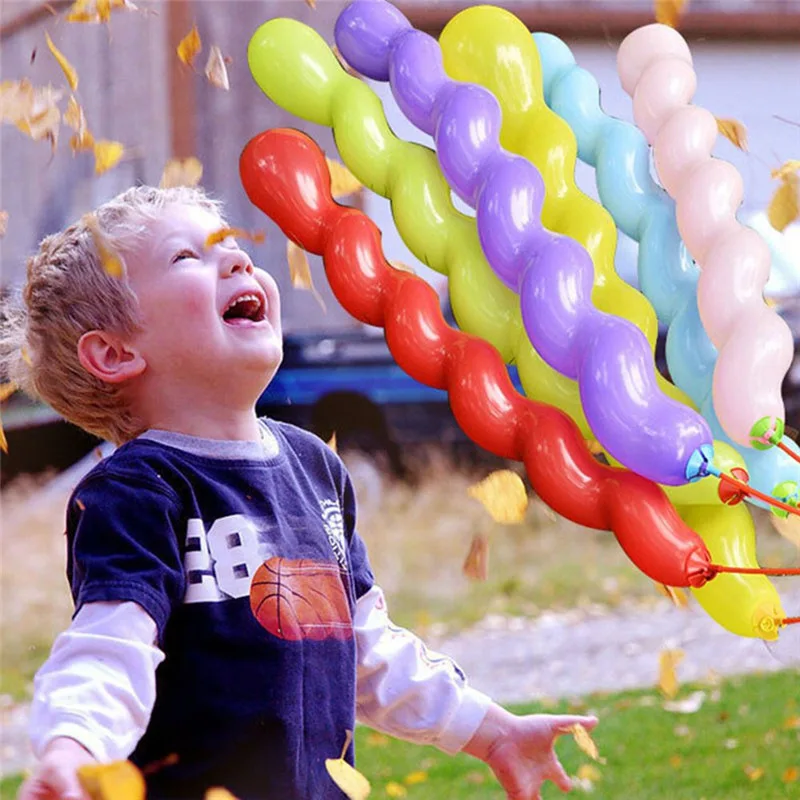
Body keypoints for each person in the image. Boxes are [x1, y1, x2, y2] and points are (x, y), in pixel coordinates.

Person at [1, 186, 597, 800]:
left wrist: (492, 731)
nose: (237, 260)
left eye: (230, 245)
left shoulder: (314, 467)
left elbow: (368, 647)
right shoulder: (136, 491)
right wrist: (72, 749)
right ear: (115, 353)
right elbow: (111, 644)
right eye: (186, 258)